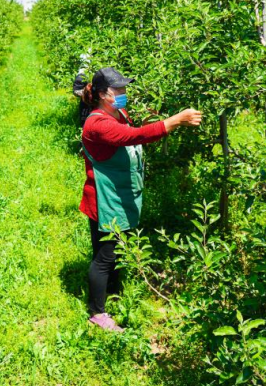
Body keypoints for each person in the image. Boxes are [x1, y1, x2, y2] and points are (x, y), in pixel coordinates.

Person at [80, 67, 203, 332]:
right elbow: (132, 136)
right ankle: (97, 313)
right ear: (102, 94)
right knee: (104, 256)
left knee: (116, 251)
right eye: (118, 89)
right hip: (104, 200)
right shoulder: (97, 123)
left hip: (118, 194)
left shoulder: (118, 112)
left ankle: (113, 295)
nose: (124, 92)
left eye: (124, 87)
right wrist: (175, 120)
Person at [72, 53, 91, 127]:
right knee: (85, 123)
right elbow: (76, 90)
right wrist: (87, 92)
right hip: (86, 105)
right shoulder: (82, 75)